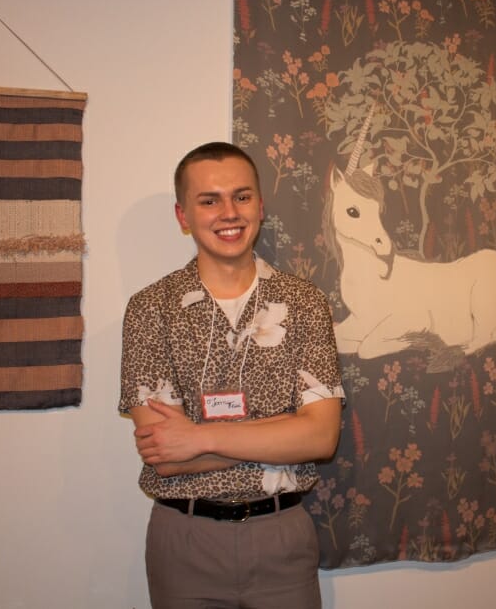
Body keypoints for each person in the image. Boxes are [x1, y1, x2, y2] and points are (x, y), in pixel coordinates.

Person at [119, 141, 344, 609]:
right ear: (183, 217)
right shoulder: (149, 311)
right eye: (209, 200)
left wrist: (199, 437)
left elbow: (321, 439)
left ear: (260, 207)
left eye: (241, 196)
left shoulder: (305, 304)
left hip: (282, 538)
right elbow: (166, 455)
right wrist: (284, 430)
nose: (229, 212)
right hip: (185, 543)